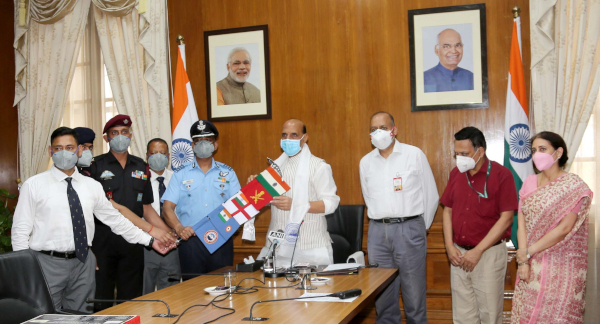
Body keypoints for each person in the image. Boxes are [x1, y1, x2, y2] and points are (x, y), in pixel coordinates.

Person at [11, 127, 171, 313]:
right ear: (50, 151)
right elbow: (20, 230)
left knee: (82, 316)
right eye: (58, 148)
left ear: (79, 150)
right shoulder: (34, 185)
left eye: (70, 147)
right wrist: (24, 270)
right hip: (46, 263)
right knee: (45, 316)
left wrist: (150, 241)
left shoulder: (92, 186)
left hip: (82, 263)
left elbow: (116, 221)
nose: (64, 152)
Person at [359, 111, 438, 324]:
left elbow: (431, 195)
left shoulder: (414, 155)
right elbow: (368, 197)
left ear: (394, 130)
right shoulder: (365, 162)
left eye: (382, 128)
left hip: (409, 229)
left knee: (414, 298)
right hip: (377, 233)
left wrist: (420, 227)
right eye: (373, 129)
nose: (378, 133)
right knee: (383, 299)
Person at [88, 114, 173, 311]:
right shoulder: (94, 166)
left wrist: (168, 232)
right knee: (102, 300)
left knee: (131, 300)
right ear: (106, 138)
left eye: (124, 132)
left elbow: (147, 208)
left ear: (131, 136)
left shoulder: (142, 166)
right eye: (114, 133)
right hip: (102, 242)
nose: (120, 136)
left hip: (134, 242)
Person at [511, 132, 592, 324]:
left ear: (558, 152)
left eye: (542, 149)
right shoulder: (529, 182)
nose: (536, 154)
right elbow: (521, 222)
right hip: (531, 263)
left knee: (558, 317)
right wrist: (523, 260)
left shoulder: (573, 186)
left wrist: (530, 251)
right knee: (529, 316)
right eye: (533, 150)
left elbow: (565, 228)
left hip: (563, 266)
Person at [440, 126, 517, 324]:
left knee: (489, 315)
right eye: (457, 154)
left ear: (480, 151)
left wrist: (478, 250)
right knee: (463, 316)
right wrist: (449, 246)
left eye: (464, 154)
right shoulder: (456, 174)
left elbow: (507, 218)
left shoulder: (502, 175)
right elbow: (447, 210)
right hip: (458, 254)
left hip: (488, 254)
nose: (460, 158)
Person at [253, 119, 340, 266]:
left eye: (294, 135)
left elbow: (331, 203)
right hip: (277, 245)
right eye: (284, 135)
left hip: (310, 246)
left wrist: (297, 205)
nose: (288, 139)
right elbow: (262, 199)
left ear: (304, 138)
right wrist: (255, 184)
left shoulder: (318, 166)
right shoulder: (274, 168)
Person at [162, 120, 241, 279]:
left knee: (223, 289)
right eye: (198, 141)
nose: (203, 145)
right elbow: (167, 208)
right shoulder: (180, 174)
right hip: (190, 241)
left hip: (222, 240)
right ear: (192, 146)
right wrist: (179, 228)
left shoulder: (228, 173)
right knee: (192, 293)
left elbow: (239, 207)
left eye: (208, 141)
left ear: (215, 145)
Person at [143, 138, 181, 293]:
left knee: (171, 292)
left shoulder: (177, 179)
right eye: (153, 153)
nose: (158, 156)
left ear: (168, 156)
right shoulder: (139, 180)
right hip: (146, 244)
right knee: (144, 294)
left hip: (173, 245)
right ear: (147, 156)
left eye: (162, 153)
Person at [424, 28, 474, 93]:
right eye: (446, 46)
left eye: (458, 45)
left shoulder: (471, 77)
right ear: (437, 50)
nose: (453, 51)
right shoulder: (424, 79)